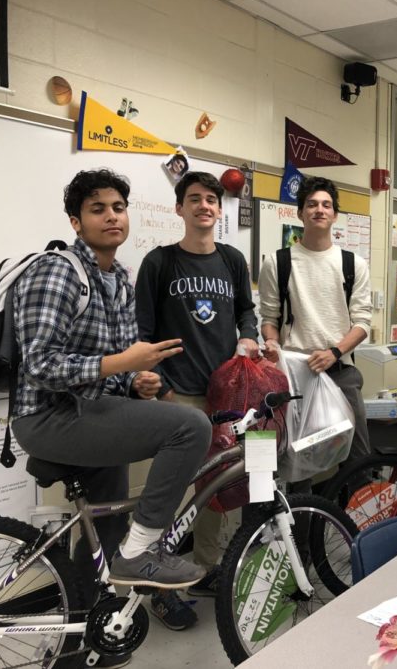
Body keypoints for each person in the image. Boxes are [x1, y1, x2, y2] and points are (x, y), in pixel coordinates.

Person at [10, 169, 211, 667]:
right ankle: (142, 555)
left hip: (92, 412)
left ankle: (79, 646)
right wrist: (124, 364)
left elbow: (115, 368)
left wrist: (134, 381)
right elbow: (39, 363)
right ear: (76, 221)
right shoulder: (57, 272)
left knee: (106, 536)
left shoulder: (118, 278)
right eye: (98, 209)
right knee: (191, 427)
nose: (112, 216)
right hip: (49, 418)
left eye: (119, 207)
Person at [135, 171, 259, 630]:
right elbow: (142, 333)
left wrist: (247, 338)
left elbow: (247, 309)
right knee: (168, 495)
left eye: (211, 199)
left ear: (219, 209)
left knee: (217, 489)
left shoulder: (231, 259)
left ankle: (206, 570)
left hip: (225, 394)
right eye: (195, 199)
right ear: (179, 208)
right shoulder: (160, 263)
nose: (205, 206)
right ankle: (155, 588)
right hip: (175, 396)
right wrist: (161, 387)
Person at [258, 176, 372, 468]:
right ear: (300, 213)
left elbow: (362, 322)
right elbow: (269, 317)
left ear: (334, 215)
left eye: (326, 205)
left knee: (357, 458)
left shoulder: (353, 264)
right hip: (295, 376)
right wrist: (271, 342)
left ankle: (351, 513)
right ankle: (303, 514)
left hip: (340, 371)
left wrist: (334, 352)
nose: (319, 210)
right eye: (311, 205)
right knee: (298, 460)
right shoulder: (278, 262)